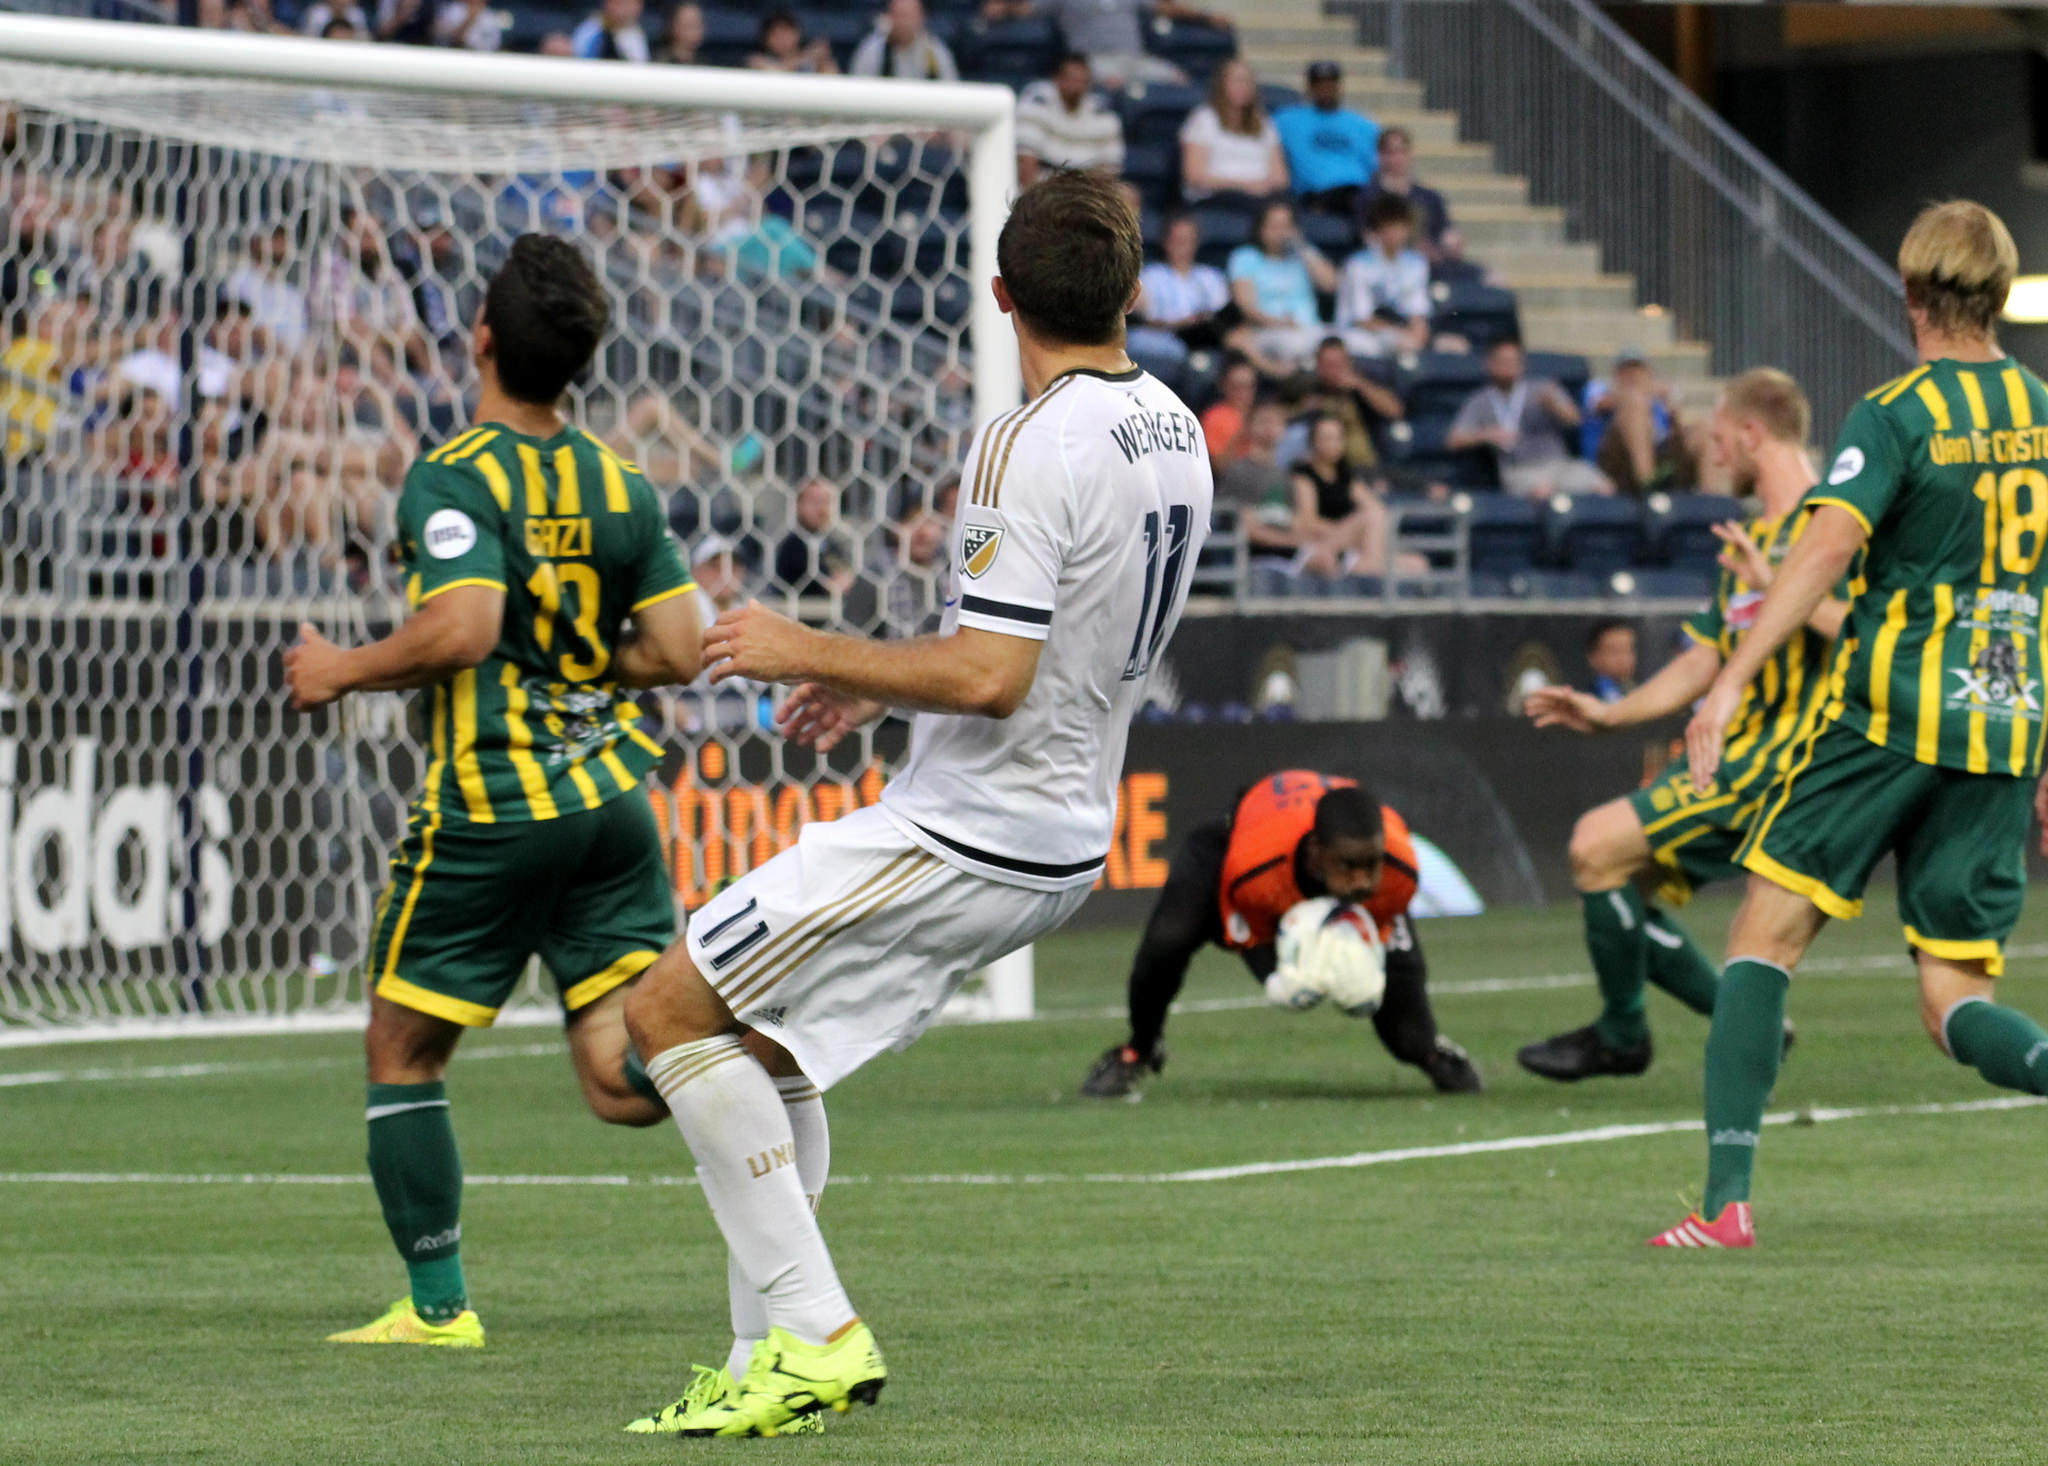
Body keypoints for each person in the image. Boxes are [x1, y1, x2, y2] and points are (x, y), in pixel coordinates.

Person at [615, 170, 1210, 1438]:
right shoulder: (1174, 425)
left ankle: (817, 1330)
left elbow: (993, 676)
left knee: (664, 1010)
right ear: (1133, 293)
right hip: (1057, 825)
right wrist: (877, 689)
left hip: (974, 826)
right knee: (763, 1042)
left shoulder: (1024, 441)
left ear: (999, 296)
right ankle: (764, 1355)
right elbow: (1050, 644)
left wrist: (806, 646)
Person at [282, 235, 706, 1347]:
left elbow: (464, 627)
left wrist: (340, 668)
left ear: (480, 336)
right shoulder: (619, 481)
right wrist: (576, 662)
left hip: (495, 806)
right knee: (620, 1075)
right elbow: (677, 648)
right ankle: (764, 1041)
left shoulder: (455, 473)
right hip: (608, 800)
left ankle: (438, 1307)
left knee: (401, 1049)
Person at [1649, 201, 2048, 1249]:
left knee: (1762, 938)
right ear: (1997, 293)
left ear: (1909, 294)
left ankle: (1724, 1204)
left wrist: (1730, 680)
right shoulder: (2044, 410)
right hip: (2006, 722)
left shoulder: (1896, 412)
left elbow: (1822, 550)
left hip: (1888, 711)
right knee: (1951, 998)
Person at [1518, 370, 1835, 1083]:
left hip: (1788, 757)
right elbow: (1705, 658)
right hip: (1737, 752)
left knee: (1594, 844)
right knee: (1620, 884)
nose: (1714, 455)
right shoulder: (1752, 537)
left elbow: (1870, 635)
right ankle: (1742, 1022)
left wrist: (1778, 589)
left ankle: (1623, 1034)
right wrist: (1611, 713)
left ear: (1752, 433)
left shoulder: (1833, 527)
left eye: (1720, 439)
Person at [1080, 773, 1482, 1098]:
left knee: (1409, 1035)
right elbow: (1247, 934)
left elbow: (1390, 951)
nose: (1362, 881)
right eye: (1348, 866)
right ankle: (1139, 1049)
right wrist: (1287, 979)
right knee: (1169, 938)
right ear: (1316, 853)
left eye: (1370, 865)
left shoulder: (1398, 870)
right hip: (1232, 844)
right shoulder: (1256, 871)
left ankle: (1432, 1051)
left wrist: (1360, 973)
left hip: (1299, 833)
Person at [1446, 338, 1608, 497]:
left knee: (1603, 487)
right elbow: (1454, 440)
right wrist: (1487, 434)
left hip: (1559, 464)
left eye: (1513, 361)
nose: (1508, 366)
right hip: (1519, 469)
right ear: (1490, 364)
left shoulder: (1543, 389)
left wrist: (1556, 407)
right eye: (1503, 361)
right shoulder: (1479, 400)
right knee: (1542, 494)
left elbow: (1575, 420)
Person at [1226, 200, 1373, 375]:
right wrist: (1280, 323)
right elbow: (1246, 306)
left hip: (1312, 330)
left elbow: (1331, 284)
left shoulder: (1301, 255)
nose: (1280, 232)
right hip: (1271, 331)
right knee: (1295, 345)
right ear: (1260, 228)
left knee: (1366, 343)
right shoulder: (1245, 258)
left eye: (1285, 226)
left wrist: (1303, 246)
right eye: (1274, 226)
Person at [1010, 0, 1232, 89]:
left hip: (1135, 59)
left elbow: (1165, 8)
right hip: (1093, 61)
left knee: (1179, 80)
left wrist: (1206, 18)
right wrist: (1003, 9)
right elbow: (1028, 9)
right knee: (1110, 82)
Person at [1289, 413, 1405, 577]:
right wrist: (1351, 532)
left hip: (1352, 544)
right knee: (1370, 517)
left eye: (1338, 438)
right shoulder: (1303, 475)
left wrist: (1362, 535)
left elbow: (1377, 509)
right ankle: (1372, 570)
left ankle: (1371, 566)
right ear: (1313, 441)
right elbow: (1307, 522)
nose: (1333, 444)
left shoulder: (1346, 477)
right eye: (1327, 438)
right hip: (1322, 542)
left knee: (1417, 564)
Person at [1128, 212, 1230, 377]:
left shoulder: (1211, 277)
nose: (1182, 246)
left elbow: (1221, 316)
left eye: (1188, 241)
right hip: (1163, 338)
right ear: (1166, 242)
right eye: (1177, 240)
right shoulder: (1150, 276)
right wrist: (1181, 324)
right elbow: (1142, 319)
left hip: (1203, 340)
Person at [1582, 348, 1696, 495]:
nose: (1632, 375)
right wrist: (1640, 393)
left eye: (1637, 369)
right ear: (1616, 373)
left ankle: (1712, 498)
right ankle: (1648, 484)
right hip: (1612, 463)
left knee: (1704, 430)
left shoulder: (1658, 401)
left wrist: (1672, 408)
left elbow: (1677, 437)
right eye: (1625, 370)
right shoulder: (1600, 388)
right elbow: (1600, 404)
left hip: (1660, 458)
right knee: (1634, 401)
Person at [1273, 60, 1380, 217]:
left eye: (1330, 84)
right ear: (1309, 88)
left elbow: (1375, 167)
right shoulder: (1286, 121)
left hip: (1358, 193)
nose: (1325, 90)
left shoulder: (1364, 125)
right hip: (1315, 196)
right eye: (1320, 85)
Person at [1179, 59, 1288, 203]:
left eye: (1247, 81)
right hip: (1216, 197)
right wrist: (1245, 186)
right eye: (1236, 80)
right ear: (1221, 84)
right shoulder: (1203, 119)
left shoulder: (1264, 123)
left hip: (1261, 198)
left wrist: (1263, 187)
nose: (1242, 86)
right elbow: (1194, 176)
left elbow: (1281, 178)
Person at [1336, 195, 1433, 356]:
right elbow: (1361, 318)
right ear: (1378, 230)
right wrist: (1401, 333)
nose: (1395, 233)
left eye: (1400, 226)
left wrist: (1419, 333)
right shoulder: (1358, 264)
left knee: (1451, 345)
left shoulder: (1417, 263)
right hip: (1359, 334)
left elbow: (1417, 311)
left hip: (1400, 331)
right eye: (1390, 226)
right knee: (1404, 344)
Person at [1295, 336, 1402, 471]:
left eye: (1338, 364)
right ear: (1318, 365)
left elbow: (1395, 411)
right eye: (1327, 365)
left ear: (1349, 363)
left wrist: (1360, 385)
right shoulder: (1308, 389)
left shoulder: (1362, 388)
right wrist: (1304, 408)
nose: (1333, 371)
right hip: (1322, 468)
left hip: (1366, 466)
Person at [1014, 54, 1125, 185]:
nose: (1076, 86)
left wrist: (1092, 193)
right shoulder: (1036, 103)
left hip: (1087, 185)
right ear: (1057, 79)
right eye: (1071, 79)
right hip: (1044, 182)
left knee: (1128, 193)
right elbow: (1026, 160)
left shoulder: (1104, 113)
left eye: (1082, 81)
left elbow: (1110, 167)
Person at [1356, 126, 1458, 264]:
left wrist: (1449, 245)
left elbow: (1446, 233)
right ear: (1380, 156)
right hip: (1387, 264)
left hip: (1431, 263)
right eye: (1390, 152)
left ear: (1410, 154)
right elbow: (1366, 236)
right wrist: (1406, 251)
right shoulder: (1368, 196)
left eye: (1402, 151)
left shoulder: (1430, 197)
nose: (1397, 158)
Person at [771, 478, 858, 599]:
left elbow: (847, 578)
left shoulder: (833, 545)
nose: (821, 509)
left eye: (826, 501)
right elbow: (824, 586)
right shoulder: (792, 547)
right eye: (814, 502)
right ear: (798, 505)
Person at [849, 0, 958, 81]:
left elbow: (950, 90)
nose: (905, 22)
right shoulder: (872, 51)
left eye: (910, 15)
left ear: (922, 17)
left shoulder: (935, 52)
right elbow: (857, 91)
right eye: (900, 15)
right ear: (889, 16)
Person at [747, 9, 839, 73]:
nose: (782, 39)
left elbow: (833, 80)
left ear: (797, 33)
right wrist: (809, 55)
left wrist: (823, 61)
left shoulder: (815, 62)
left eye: (786, 33)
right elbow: (778, 71)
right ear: (766, 38)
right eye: (776, 34)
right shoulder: (757, 60)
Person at [571, 0, 651, 61]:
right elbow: (578, 56)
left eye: (629, 4)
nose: (623, 9)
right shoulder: (592, 28)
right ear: (607, 3)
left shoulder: (640, 32)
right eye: (618, 3)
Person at [1583, 620, 1636, 702]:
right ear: (1593, 657)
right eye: (1614, 651)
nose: (1622, 658)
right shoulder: (1601, 689)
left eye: (1628, 650)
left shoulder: (1631, 688)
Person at [433, 0, 505, 50]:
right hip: (452, 53)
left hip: (479, 58)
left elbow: (494, 45)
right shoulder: (453, 10)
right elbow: (440, 36)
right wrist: (468, 21)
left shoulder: (490, 17)